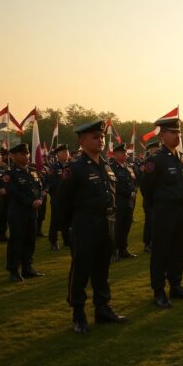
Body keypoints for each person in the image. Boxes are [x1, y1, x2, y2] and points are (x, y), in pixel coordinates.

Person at [57, 120, 126, 333]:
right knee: (80, 270)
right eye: (95, 137)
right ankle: (78, 313)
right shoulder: (75, 168)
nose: (100, 140)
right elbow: (62, 203)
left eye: (102, 136)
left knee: (102, 269)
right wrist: (67, 230)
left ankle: (102, 308)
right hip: (85, 225)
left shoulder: (106, 165)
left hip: (106, 224)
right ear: (82, 140)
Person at [139, 117, 183, 308]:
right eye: (173, 132)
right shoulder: (156, 160)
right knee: (161, 252)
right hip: (165, 211)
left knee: (179, 251)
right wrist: (158, 207)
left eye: (179, 132)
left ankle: (176, 285)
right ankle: (158, 291)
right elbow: (147, 189)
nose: (177, 136)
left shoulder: (182, 158)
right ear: (162, 135)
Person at [4, 144, 44, 282]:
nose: (26, 156)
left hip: (32, 213)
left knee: (30, 241)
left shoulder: (32, 171)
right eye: (22, 154)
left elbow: (39, 187)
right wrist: (31, 202)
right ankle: (13, 270)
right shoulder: (10, 173)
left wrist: (39, 199)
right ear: (13, 156)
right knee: (16, 241)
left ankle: (27, 268)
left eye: (27, 154)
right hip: (18, 213)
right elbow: (13, 193)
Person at [110, 143, 138, 260]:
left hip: (129, 201)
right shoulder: (112, 167)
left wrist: (133, 190)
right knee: (117, 227)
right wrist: (128, 192)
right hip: (118, 201)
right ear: (115, 154)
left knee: (126, 226)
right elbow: (115, 185)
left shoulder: (127, 166)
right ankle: (114, 251)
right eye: (123, 152)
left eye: (125, 152)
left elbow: (133, 180)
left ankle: (123, 249)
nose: (125, 154)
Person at [47, 144, 70, 250]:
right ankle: (53, 241)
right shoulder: (54, 167)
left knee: (67, 219)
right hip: (57, 198)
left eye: (67, 152)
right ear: (58, 155)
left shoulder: (71, 165)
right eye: (63, 152)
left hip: (68, 199)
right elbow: (52, 183)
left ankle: (67, 240)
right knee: (55, 220)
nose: (66, 154)